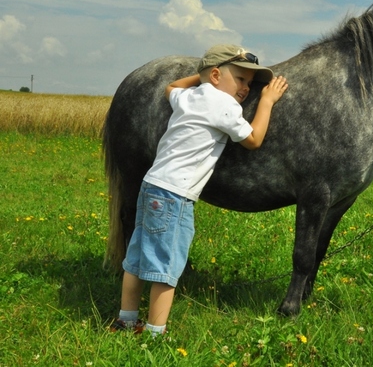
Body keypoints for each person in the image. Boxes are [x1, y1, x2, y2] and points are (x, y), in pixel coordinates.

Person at [110, 44, 288, 335]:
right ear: (217, 75)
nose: (247, 88)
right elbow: (254, 139)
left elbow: (171, 86)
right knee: (166, 267)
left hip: (152, 185)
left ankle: (125, 319)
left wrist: (202, 77)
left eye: (251, 83)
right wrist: (267, 101)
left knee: (136, 259)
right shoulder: (225, 105)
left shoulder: (190, 97)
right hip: (175, 195)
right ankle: (156, 333)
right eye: (241, 79)